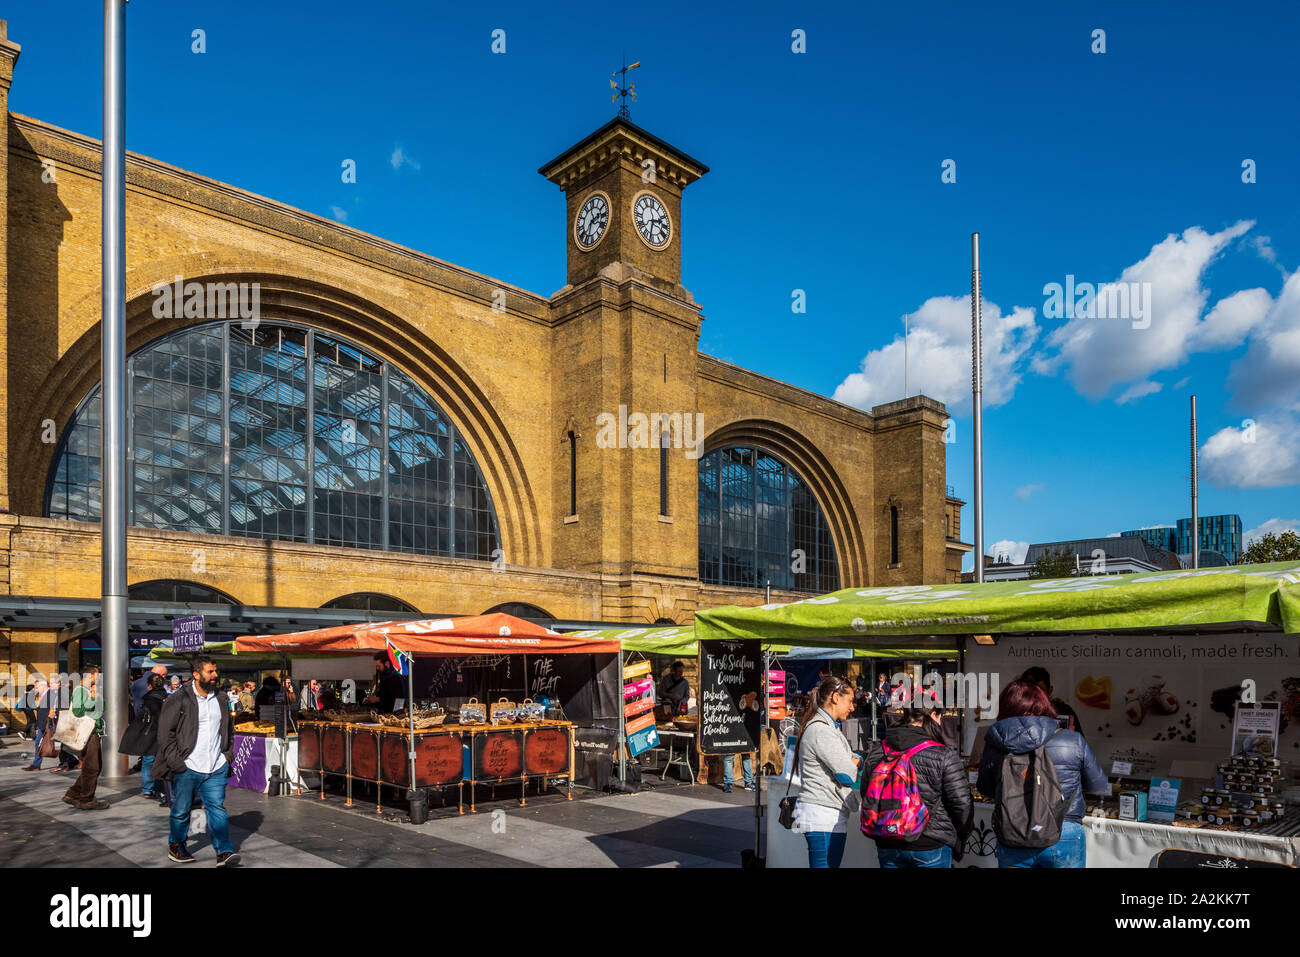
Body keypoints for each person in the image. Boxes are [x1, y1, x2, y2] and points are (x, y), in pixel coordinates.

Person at [977, 680, 1109, 868]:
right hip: (1063, 828)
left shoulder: (996, 742)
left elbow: (985, 789)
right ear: (1044, 705)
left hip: (1013, 831)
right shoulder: (1072, 740)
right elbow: (1099, 785)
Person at [860, 705, 973, 868]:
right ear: (933, 714)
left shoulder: (878, 752)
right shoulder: (944, 754)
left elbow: (867, 794)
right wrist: (960, 835)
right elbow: (961, 804)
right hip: (930, 842)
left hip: (887, 840)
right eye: (940, 717)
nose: (940, 723)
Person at [155, 655, 239, 866]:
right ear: (196, 674)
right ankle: (176, 845)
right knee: (181, 810)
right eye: (210, 671)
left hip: (216, 766)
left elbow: (228, 730)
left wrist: (226, 756)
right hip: (188, 766)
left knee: (217, 808)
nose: (215, 675)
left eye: (215, 670)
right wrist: (177, 763)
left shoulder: (221, 698)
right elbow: (165, 734)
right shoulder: (179, 698)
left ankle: (224, 852)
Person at [791, 676, 861, 868]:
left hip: (825, 813)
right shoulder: (821, 730)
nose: (852, 707)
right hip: (822, 815)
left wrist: (854, 760)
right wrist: (855, 762)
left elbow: (849, 761)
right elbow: (847, 774)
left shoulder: (827, 728)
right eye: (850, 701)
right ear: (836, 698)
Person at [62, 667, 109, 810]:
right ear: (90, 676)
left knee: (93, 766)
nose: (99, 678)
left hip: (91, 731)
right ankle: (86, 799)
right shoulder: (80, 690)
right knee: (92, 767)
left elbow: (103, 707)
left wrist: (96, 695)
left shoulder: (89, 690)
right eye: (97, 675)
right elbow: (77, 711)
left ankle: (74, 794)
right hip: (87, 732)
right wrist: (93, 699)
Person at [1019, 667, 1085, 739]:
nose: (1035, 695)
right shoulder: (1015, 711)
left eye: (1040, 691)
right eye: (1029, 691)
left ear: (1050, 691)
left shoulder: (1064, 710)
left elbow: (1078, 742)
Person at [139, 673, 170, 804]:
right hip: (166, 733)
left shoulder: (147, 699)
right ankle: (161, 788)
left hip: (150, 733)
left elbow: (142, 717)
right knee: (163, 760)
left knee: (148, 760)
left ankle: (148, 789)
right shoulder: (169, 698)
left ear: (149, 686)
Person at [22, 676, 50, 771]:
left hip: (48, 724)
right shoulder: (44, 695)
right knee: (38, 743)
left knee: (58, 745)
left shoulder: (50, 694)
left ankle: (72, 760)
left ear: (43, 686)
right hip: (42, 725)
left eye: (37, 687)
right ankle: (36, 765)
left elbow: (50, 711)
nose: (35, 690)